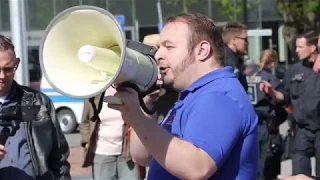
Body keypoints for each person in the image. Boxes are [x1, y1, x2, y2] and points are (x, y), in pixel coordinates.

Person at [108, 13, 258, 179]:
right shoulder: (192, 95)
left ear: (202, 50)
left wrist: (137, 118)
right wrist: (146, 107)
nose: (158, 55)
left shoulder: (219, 96)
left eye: (169, 47)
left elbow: (196, 167)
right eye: (159, 47)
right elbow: (143, 156)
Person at [0, 35, 70, 179]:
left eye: (8, 69)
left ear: (17, 64)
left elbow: (59, 158)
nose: (2, 75)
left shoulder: (39, 101)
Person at [260, 30, 320, 177]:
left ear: (312, 48)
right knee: (299, 174)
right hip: (301, 131)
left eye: (300, 47)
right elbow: (284, 96)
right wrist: (272, 93)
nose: (296, 50)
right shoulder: (294, 70)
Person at [79, 86, 144, 180]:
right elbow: (85, 122)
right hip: (102, 152)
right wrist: (86, 142)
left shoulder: (131, 92)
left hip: (129, 153)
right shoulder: (94, 95)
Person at [247, 49, 287, 180]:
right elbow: (281, 98)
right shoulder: (269, 77)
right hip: (265, 125)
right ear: (274, 63)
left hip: (249, 123)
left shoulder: (248, 73)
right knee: (266, 164)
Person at [220, 22, 249, 91]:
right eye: (245, 39)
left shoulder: (235, 59)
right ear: (233, 40)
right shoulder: (226, 61)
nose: (247, 43)